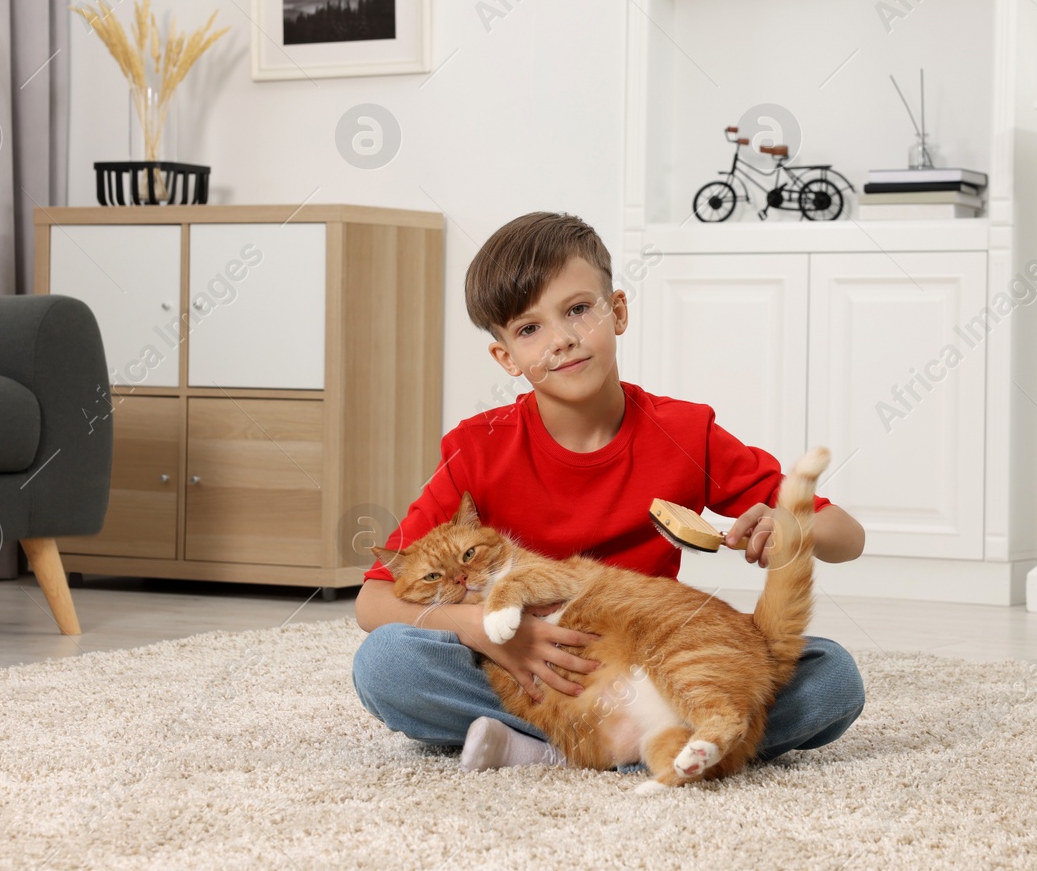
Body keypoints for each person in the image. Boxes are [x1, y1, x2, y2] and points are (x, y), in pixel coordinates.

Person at [352, 211, 865, 772]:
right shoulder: (475, 448)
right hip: (532, 672)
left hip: (649, 658)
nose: (563, 339)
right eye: (529, 329)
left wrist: (787, 526)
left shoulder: (686, 430)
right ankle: (629, 744)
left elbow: (847, 536)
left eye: (578, 310)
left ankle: (563, 748)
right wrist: (492, 634)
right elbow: (374, 603)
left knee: (831, 679)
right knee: (386, 663)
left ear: (616, 311)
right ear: (507, 358)